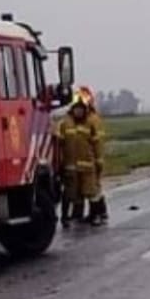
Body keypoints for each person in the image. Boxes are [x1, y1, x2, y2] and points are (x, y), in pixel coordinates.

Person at [56, 92, 104, 227]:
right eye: (77, 109)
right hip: (70, 167)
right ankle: (69, 217)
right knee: (72, 194)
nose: (79, 112)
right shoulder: (65, 123)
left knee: (92, 192)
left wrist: (99, 161)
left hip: (88, 166)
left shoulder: (90, 123)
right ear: (72, 109)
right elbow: (59, 144)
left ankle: (95, 216)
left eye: (81, 109)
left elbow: (97, 144)